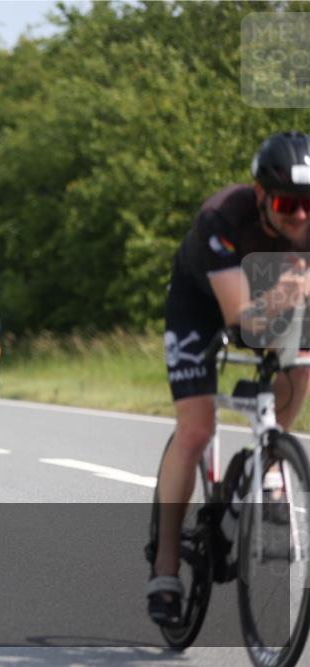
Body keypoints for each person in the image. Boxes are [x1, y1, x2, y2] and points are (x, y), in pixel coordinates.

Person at [149, 131, 310, 626]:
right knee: (196, 431)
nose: (299, 215)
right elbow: (239, 317)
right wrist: (286, 296)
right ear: (260, 194)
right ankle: (165, 566)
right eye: (286, 202)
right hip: (204, 300)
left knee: (302, 357)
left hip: (271, 289)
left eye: (309, 204)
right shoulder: (224, 216)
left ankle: (271, 458)